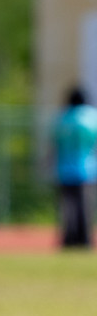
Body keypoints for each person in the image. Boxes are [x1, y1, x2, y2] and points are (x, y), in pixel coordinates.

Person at [54, 87, 97, 249]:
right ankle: (85, 240)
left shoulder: (63, 118)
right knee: (85, 208)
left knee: (67, 208)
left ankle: (69, 240)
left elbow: (55, 144)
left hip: (64, 170)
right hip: (86, 170)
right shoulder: (91, 118)